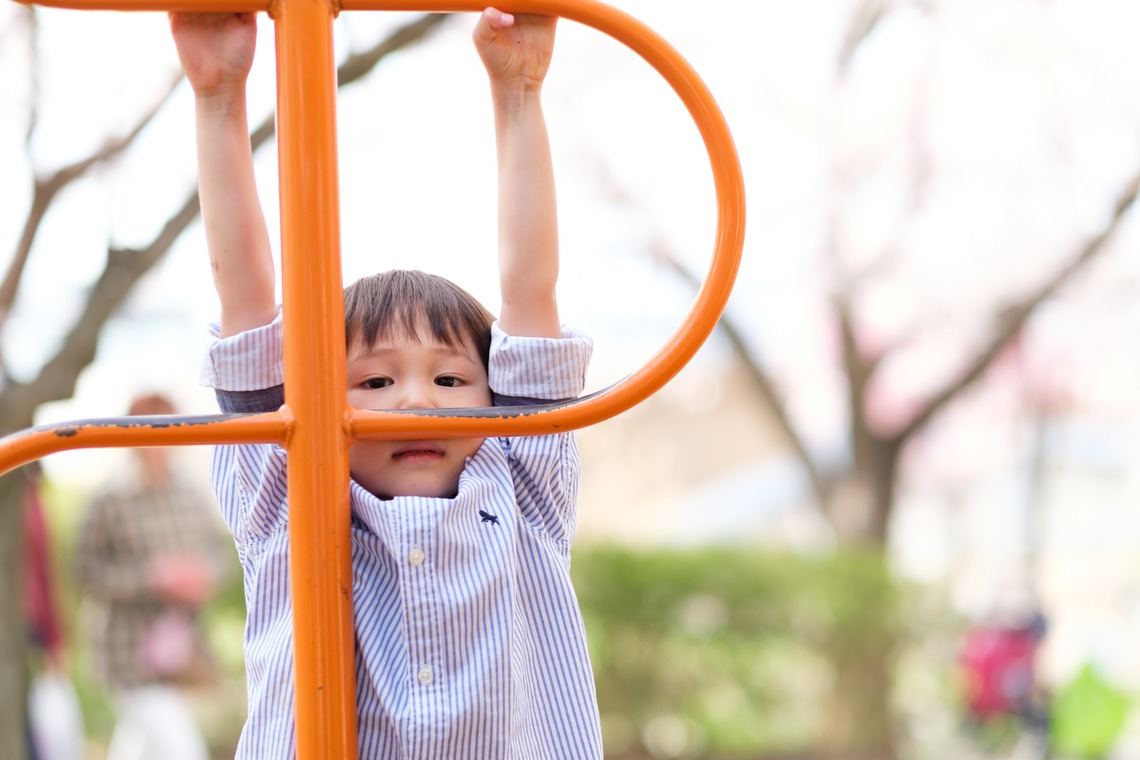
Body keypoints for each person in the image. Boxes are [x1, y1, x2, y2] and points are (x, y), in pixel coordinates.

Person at [170, 7, 603, 759]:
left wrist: (520, 94)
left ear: (495, 399)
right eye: (373, 383)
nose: (415, 399)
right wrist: (218, 98)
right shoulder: (289, 488)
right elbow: (244, 302)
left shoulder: (520, 480)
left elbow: (532, 291)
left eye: (449, 377)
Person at [74, 393, 229, 760]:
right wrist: (151, 578)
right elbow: (87, 572)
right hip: (128, 650)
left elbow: (217, 552)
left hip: (177, 647)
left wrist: (201, 576)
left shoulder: (190, 493)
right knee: (182, 749)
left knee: (138, 746)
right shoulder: (110, 499)